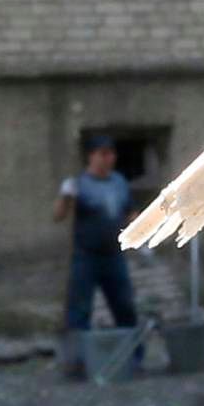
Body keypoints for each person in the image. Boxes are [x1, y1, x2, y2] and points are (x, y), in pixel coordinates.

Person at [54, 136, 140, 378]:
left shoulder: (119, 182)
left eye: (111, 153)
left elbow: (130, 211)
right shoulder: (79, 184)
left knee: (125, 307)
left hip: (114, 256)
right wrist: (65, 196)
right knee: (78, 312)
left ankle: (132, 358)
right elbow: (58, 216)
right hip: (86, 257)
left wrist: (142, 231)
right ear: (91, 156)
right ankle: (77, 363)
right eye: (102, 153)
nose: (108, 158)